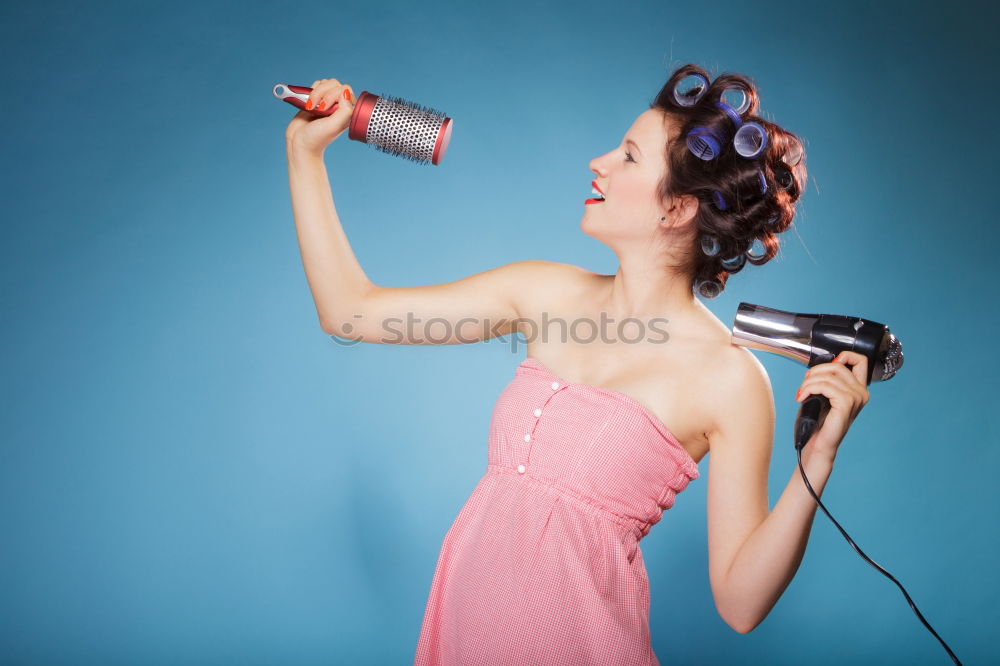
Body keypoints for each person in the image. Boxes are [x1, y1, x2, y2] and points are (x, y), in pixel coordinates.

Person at [284, 63, 872, 665]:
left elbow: (741, 604)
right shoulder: (544, 295)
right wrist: (305, 158)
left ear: (676, 209)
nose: (599, 162)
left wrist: (815, 461)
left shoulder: (729, 377)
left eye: (629, 157)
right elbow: (350, 314)